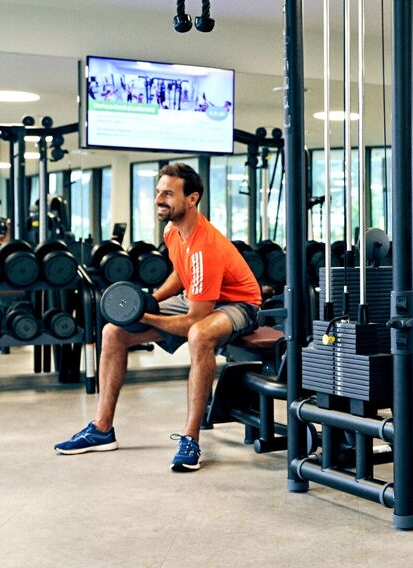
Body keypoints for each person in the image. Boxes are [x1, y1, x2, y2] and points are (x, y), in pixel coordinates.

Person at [54, 163, 263, 472]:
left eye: (168, 193)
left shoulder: (205, 245)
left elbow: (195, 319)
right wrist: (153, 299)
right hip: (200, 298)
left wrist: (146, 315)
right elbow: (181, 272)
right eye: (158, 192)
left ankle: (190, 438)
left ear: (192, 199)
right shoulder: (173, 232)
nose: (159, 200)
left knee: (200, 335)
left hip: (239, 304)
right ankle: (101, 429)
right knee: (114, 332)